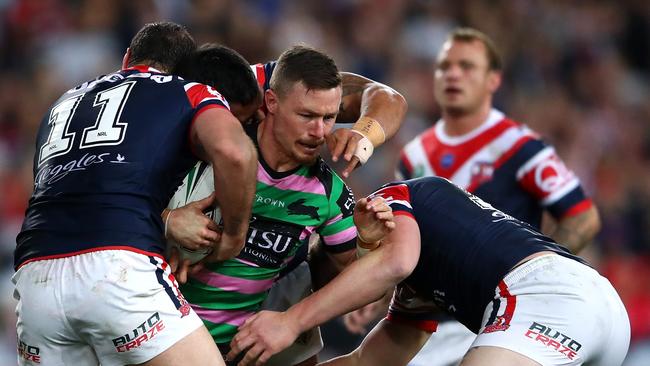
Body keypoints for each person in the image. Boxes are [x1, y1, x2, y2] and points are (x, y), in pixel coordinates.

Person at [345, 27, 602, 366]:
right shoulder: (414, 154)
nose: (453, 74)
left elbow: (583, 218)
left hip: (500, 307)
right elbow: (408, 239)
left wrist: (539, 278)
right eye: (444, 66)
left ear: (493, 80)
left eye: (467, 66)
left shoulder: (518, 145)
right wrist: (381, 296)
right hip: (435, 318)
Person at [13, 22, 258, 366]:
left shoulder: (63, 102)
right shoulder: (189, 90)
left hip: (34, 278)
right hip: (119, 268)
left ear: (127, 59)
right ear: (186, 71)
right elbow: (236, 153)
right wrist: (234, 235)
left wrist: (168, 219)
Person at [164, 45, 404, 366]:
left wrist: (367, 241)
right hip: (164, 334)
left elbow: (361, 277)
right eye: (306, 116)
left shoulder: (327, 191)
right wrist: (166, 219)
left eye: (329, 118)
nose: (318, 132)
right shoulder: (210, 147)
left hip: (245, 348)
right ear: (271, 102)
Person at [229, 176, 630, 366]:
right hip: (602, 311)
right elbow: (370, 363)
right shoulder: (420, 281)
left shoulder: (390, 202)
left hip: (546, 298)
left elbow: (394, 262)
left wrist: (289, 321)